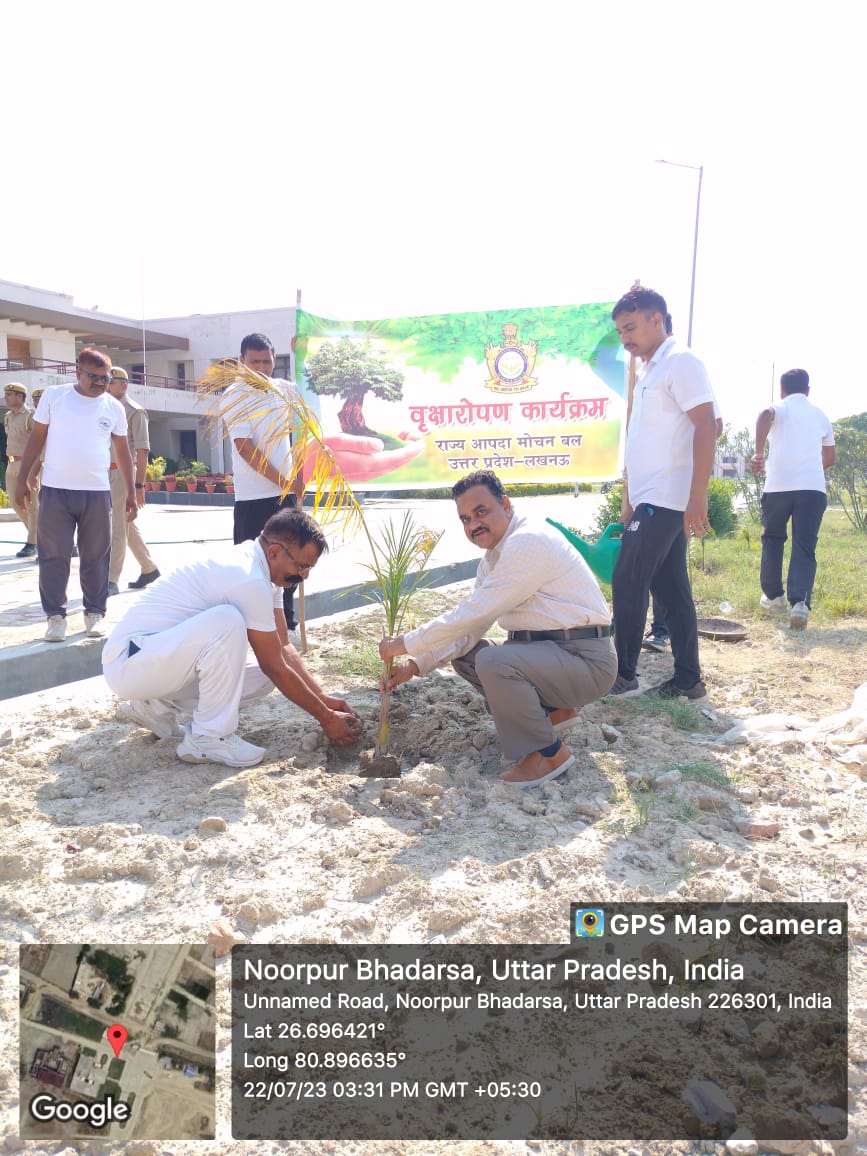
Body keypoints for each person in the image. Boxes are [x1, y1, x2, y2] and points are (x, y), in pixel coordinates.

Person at [378, 470, 616, 789]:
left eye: (481, 512)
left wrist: (405, 642)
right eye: (464, 519)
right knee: (469, 654)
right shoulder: (492, 559)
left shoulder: (527, 542)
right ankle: (555, 712)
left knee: (493, 662)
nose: (473, 525)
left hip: (586, 661)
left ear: (505, 504)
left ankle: (548, 754)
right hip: (556, 656)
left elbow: (471, 613)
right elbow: (470, 629)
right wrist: (415, 664)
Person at [102, 507, 363, 767]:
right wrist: (326, 719)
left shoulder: (264, 573)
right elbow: (274, 664)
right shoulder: (248, 577)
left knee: (261, 677)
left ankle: (153, 706)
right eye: (302, 566)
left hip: (154, 662)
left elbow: (283, 647)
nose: (304, 576)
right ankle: (208, 738)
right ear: (274, 552)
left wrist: (322, 698)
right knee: (228, 622)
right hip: (130, 660)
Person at [609, 287, 716, 699]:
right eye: (620, 331)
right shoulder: (650, 371)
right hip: (650, 496)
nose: (625, 339)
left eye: (631, 327)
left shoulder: (680, 361)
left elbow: (709, 424)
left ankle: (624, 676)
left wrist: (697, 496)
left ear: (657, 320)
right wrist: (630, 497)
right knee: (670, 589)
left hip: (668, 498)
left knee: (627, 577)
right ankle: (689, 679)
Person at [14, 348, 136, 643]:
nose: (100, 383)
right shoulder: (56, 397)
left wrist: (132, 491)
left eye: (105, 378)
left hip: (97, 493)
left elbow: (122, 452)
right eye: (93, 377)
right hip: (56, 492)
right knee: (54, 556)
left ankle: (94, 613)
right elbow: (37, 438)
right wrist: (21, 479)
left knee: (96, 556)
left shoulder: (114, 408)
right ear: (78, 372)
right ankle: (55, 617)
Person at [223, 334, 304, 630]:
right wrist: (284, 480)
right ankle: (255, 630)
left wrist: (304, 354)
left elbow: (312, 405)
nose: (261, 368)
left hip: (286, 496)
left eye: (267, 361)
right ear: (242, 361)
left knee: (292, 561)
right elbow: (245, 447)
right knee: (253, 567)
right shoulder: (235, 394)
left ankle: (289, 626)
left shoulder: (284, 390)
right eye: (254, 361)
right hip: (253, 498)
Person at [749, 368, 835, 630]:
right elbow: (829, 458)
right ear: (808, 390)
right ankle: (800, 604)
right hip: (812, 489)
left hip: (778, 487)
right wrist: (807, 469)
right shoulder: (820, 414)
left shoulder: (779, 406)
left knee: (773, 538)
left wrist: (759, 454)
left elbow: (765, 415)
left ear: (782, 390)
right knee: (804, 545)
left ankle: (774, 597)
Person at [106, 368, 160, 595]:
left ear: (124, 385)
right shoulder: (104, 408)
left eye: (110, 382)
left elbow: (142, 451)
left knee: (117, 527)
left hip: (122, 474)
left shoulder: (135, 412)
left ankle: (111, 579)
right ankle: (149, 568)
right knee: (126, 522)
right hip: (104, 473)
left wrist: (139, 486)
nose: (106, 386)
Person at [3, 383, 39, 557]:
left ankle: (32, 542)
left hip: (27, 464)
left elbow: (38, 442)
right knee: (16, 504)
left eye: (10, 394)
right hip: (11, 463)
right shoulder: (8, 416)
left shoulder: (31, 415)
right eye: (6, 394)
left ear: (20, 396)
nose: (6, 397)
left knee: (32, 505)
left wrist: (34, 470)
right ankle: (37, 537)